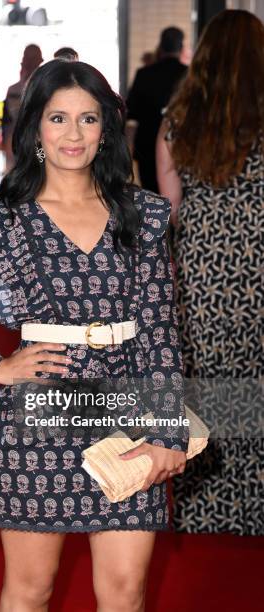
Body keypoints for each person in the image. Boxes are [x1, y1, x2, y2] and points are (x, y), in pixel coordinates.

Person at [0, 59, 189, 611]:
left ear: (107, 128)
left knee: (126, 593)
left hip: (129, 418)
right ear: (34, 129)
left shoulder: (145, 215)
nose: (73, 134)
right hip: (38, 425)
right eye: (58, 118)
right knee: (31, 591)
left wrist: (167, 433)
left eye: (88, 119)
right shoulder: (3, 221)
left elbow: (159, 331)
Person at [156, 9, 264, 536]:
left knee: (209, 382)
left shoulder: (179, 120)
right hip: (259, 268)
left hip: (202, 272)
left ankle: (206, 507)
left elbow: (168, 209)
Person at [126, 26, 187, 193]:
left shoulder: (145, 74)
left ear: (161, 46)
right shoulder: (188, 75)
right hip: (180, 145)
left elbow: (131, 110)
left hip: (148, 144)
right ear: (181, 47)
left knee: (152, 196)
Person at [2, 44, 43, 170]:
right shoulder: (13, 89)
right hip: (16, 142)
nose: (30, 62)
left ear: (40, 61)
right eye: (27, 58)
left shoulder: (47, 88)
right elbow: (10, 116)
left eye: (33, 58)